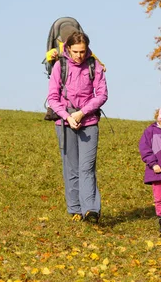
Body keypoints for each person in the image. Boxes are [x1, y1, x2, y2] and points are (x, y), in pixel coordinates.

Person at [47, 31, 108, 223]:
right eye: (75, 51)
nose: (79, 56)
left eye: (82, 51)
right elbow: (53, 97)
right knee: (70, 168)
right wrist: (67, 116)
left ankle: (91, 210)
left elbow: (102, 95)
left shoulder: (94, 65)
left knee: (87, 168)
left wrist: (82, 113)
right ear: (68, 49)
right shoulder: (60, 66)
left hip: (88, 121)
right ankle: (74, 210)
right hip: (65, 123)